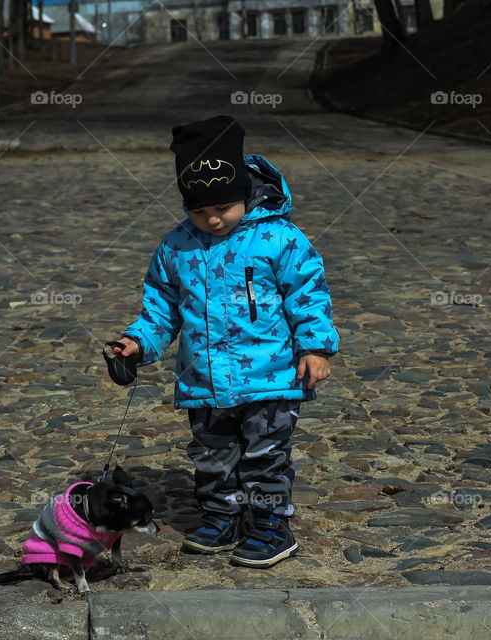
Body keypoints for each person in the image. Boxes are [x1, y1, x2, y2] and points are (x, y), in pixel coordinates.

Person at [111, 115, 339, 568]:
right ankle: (223, 516)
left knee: (265, 456)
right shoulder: (177, 246)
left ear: (245, 193)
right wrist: (137, 342)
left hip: (271, 377)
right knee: (212, 455)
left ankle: (272, 525)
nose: (213, 219)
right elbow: (161, 308)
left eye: (223, 207)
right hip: (204, 379)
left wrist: (314, 347)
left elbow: (308, 294)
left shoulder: (279, 238)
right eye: (199, 211)